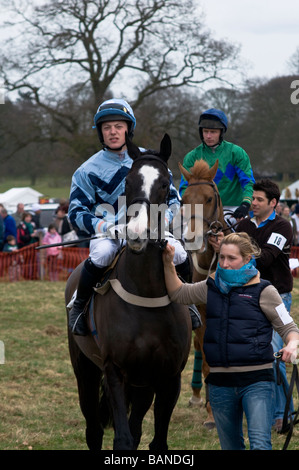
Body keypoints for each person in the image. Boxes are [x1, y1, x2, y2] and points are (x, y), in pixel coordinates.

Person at [68, 98, 201, 335]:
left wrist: (164, 220)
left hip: (153, 229)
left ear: (129, 129)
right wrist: (107, 227)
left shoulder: (152, 162)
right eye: (107, 127)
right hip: (110, 233)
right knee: (101, 254)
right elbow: (76, 212)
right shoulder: (86, 171)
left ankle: (188, 302)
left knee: (180, 253)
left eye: (118, 126)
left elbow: (173, 200)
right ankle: (79, 307)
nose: (113, 132)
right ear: (100, 132)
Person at [162, 232, 299, 450]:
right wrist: (169, 263)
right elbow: (179, 293)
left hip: (257, 382)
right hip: (220, 383)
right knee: (231, 447)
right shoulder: (211, 286)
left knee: (260, 444)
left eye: (231, 258)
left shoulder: (265, 290)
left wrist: (291, 344)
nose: (225, 264)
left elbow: (289, 327)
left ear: (247, 259)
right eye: (222, 257)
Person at [210, 179, 295, 433]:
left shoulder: (283, 226)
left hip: (277, 295)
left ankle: (281, 415)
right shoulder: (244, 224)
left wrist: (236, 251)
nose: (253, 203)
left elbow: (266, 258)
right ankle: (256, 411)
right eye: (253, 198)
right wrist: (224, 249)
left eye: (259, 200)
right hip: (246, 297)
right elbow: (231, 260)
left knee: (274, 356)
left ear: (273, 203)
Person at [179, 108, 255, 220]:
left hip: (234, 210)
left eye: (213, 132)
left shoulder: (237, 153)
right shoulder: (192, 157)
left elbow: (248, 182)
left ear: (221, 132)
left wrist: (246, 203)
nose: (208, 136)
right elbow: (185, 186)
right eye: (205, 131)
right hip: (203, 209)